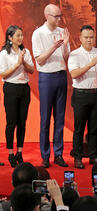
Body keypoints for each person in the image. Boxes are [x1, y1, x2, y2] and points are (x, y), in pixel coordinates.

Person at [32, 4, 70, 168]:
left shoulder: (62, 31)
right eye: (56, 16)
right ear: (47, 16)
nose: (59, 19)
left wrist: (66, 44)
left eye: (60, 16)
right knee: (45, 118)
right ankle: (45, 155)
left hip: (61, 75)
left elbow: (66, 57)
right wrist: (54, 46)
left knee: (60, 118)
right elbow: (39, 60)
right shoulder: (38, 33)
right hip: (46, 77)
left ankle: (59, 154)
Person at [68, 25, 97, 169]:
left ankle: (93, 156)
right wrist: (91, 64)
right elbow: (74, 74)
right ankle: (78, 157)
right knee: (79, 128)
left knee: (94, 128)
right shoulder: (74, 54)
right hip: (81, 94)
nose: (89, 40)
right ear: (80, 38)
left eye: (91, 37)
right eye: (86, 37)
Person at [0, 25, 34, 168]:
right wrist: (17, 64)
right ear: (10, 37)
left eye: (21, 35)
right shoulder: (4, 54)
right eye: (17, 35)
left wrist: (24, 61)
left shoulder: (24, 52)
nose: (20, 38)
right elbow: (3, 74)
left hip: (24, 89)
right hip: (11, 88)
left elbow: (32, 70)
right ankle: (10, 153)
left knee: (22, 122)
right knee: (11, 122)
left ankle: (19, 152)